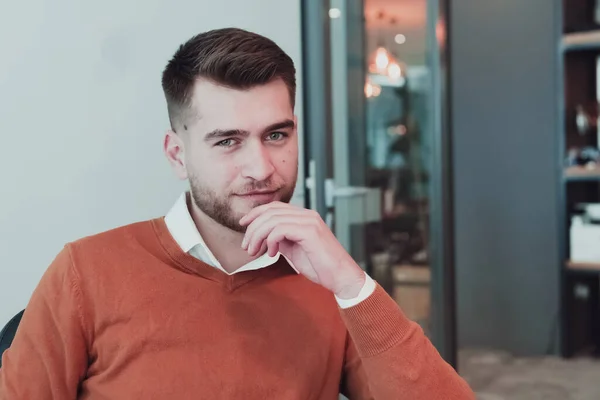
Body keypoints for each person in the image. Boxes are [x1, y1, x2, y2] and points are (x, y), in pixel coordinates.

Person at [0, 28, 474, 399]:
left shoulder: (329, 284)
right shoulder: (86, 272)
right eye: (228, 141)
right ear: (177, 154)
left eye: (276, 135)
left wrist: (354, 287)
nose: (261, 168)